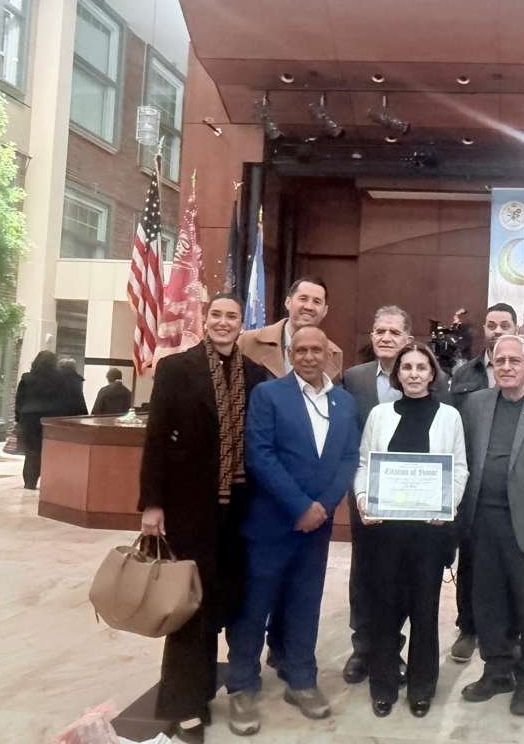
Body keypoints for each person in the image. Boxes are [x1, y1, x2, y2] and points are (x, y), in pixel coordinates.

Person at [138, 294, 268, 743]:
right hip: (189, 507)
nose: (224, 322)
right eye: (217, 315)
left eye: (232, 316)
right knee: (188, 605)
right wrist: (152, 504)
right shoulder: (176, 369)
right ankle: (183, 707)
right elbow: (156, 437)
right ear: (205, 319)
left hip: (239, 510)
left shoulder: (255, 375)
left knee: (219, 603)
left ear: (242, 323)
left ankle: (202, 690)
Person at [226, 326, 360, 735]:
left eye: (316, 349)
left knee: (305, 603)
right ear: (289, 353)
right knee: (253, 607)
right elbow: (259, 454)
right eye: (300, 350)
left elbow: (349, 457)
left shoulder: (344, 402)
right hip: (270, 524)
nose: (308, 356)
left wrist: (323, 507)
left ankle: (301, 679)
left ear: (329, 355)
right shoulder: (268, 395)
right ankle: (242, 685)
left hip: (316, 529)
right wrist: (300, 506)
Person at [353, 342, 468, 719]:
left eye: (421, 367)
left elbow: (460, 468)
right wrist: (364, 498)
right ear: (397, 374)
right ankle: (383, 685)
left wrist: (446, 505)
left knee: (424, 610)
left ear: (432, 373)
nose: (414, 374)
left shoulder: (449, 416)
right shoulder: (380, 415)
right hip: (385, 531)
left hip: (429, 532)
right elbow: (364, 464)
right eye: (407, 367)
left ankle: (421, 687)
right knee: (384, 609)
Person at [340, 305, 449, 684]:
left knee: (402, 577)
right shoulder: (353, 378)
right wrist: (360, 492)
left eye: (393, 332)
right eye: (379, 330)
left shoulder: (434, 380)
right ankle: (363, 648)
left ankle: (392, 648)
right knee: (364, 572)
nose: (385, 337)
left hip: (417, 501)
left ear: (407, 339)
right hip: (369, 498)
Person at [458, 334, 524, 716]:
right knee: (486, 602)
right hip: (481, 521)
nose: (506, 367)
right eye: (499, 360)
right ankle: (496, 672)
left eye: (514, 361)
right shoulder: (476, 404)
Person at [448, 302, 524, 661]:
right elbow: (458, 440)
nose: (506, 366)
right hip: (479, 506)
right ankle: (473, 635)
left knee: (520, 587)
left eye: (504, 325)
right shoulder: (468, 382)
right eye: (491, 324)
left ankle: (518, 650)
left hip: (522, 508)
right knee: (478, 579)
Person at [238, 276, 343, 380]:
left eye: (317, 302)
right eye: (303, 299)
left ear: (325, 311)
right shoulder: (248, 341)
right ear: (288, 302)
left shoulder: (333, 354)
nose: (309, 307)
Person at [14, 350, 63, 490]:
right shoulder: (59, 380)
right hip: (50, 419)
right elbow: (62, 400)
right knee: (49, 451)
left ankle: (30, 482)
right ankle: (48, 482)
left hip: (29, 418)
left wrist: (18, 418)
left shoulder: (27, 378)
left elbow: (19, 400)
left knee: (31, 451)